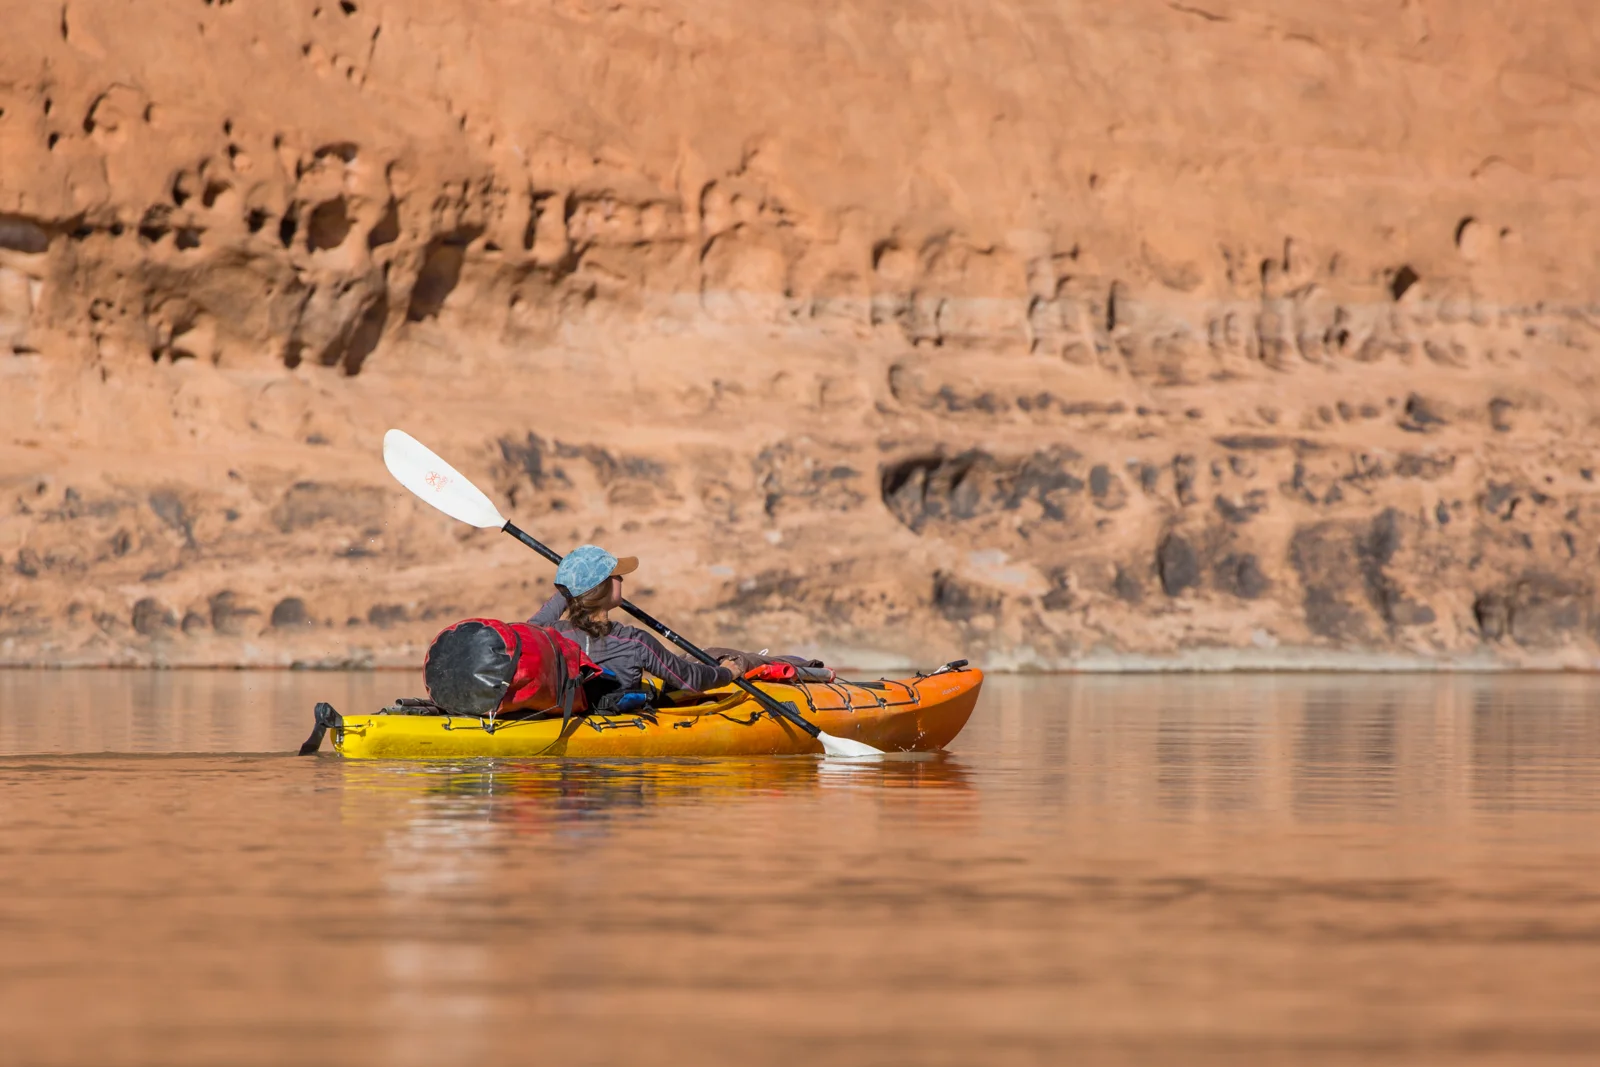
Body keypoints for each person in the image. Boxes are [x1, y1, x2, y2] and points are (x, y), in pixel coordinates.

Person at [529, 544, 750, 693]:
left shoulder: (550, 633)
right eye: (616, 576)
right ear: (602, 588)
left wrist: (574, 583)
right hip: (619, 739)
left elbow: (532, 625)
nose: (622, 580)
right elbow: (688, 678)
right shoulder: (635, 642)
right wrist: (727, 673)